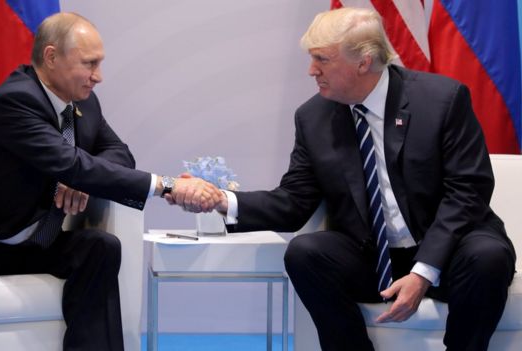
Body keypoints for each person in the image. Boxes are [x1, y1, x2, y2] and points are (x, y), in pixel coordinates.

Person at [210, 7, 516, 350]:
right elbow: (295, 202)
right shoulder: (313, 118)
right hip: (372, 256)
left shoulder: (442, 100)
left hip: (448, 248)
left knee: (488, 256)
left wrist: (423, 271)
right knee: (306, 252)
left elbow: (468, 191)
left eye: (322, 60)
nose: (312, 71)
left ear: (364, 61)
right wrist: (224, 200)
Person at [0, 12, 221, 351]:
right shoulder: (13, 100)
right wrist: (166, 185)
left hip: (34, 245)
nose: (98, 76)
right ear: (51, 57)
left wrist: (82, 180)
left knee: (100, 247)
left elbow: (119, 153)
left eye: (99, 63)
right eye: (89, 64)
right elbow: (69, 162)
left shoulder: (82, 104)